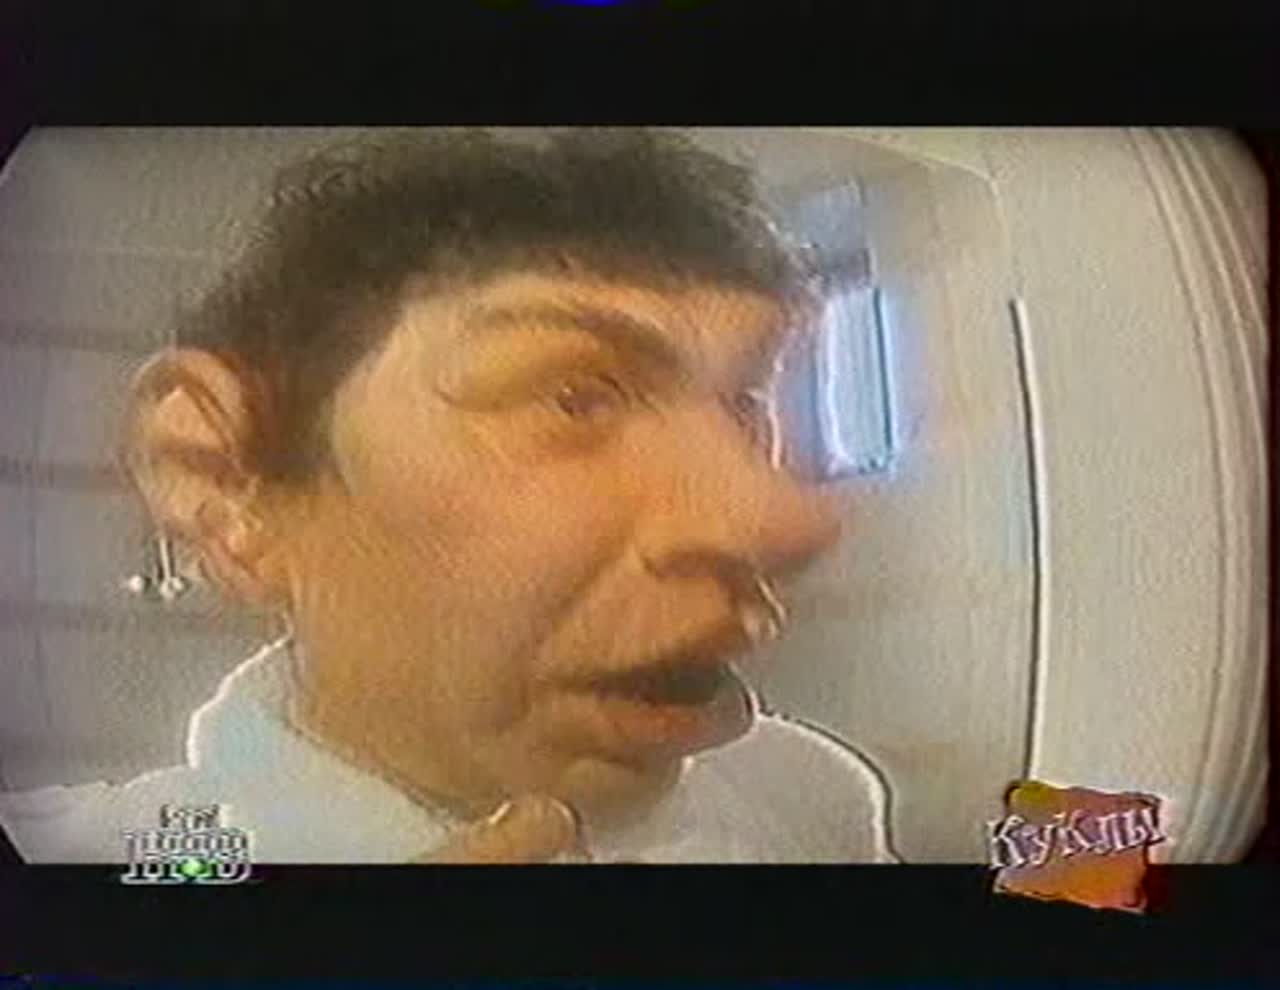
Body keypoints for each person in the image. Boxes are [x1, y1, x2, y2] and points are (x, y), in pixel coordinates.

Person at [0, 129, 896, 864]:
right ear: (226, 484)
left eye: (743, 406)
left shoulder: (816, 799)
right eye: (576, 396)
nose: (788, 520)